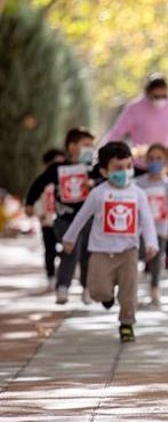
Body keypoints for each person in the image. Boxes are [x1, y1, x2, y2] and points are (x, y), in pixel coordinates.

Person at [62, 142, 159, 343]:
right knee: (97, 290)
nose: (124, 172)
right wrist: (69, 238)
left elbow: (147, 220)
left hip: (128, 251)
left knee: (128, 291)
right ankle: (106, 297)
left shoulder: (138, 194)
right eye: (117, 168)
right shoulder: (98, 194)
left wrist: (152, 243)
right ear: (105, 171)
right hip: (100, 251)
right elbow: (82, 216)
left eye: (128, 166)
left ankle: (127, 323)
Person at [25, 128, 99, 305]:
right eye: (85, 145)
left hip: (88, 219)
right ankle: (63, 286)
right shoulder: (58, 168)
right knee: (70, 250)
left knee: (88, 254)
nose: (90, 149)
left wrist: (93, 182)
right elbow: (39, 183)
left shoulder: (92, 169)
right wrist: (29, 203)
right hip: (65, 218)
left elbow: (104, 181)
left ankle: (87, 287)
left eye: (92, 145)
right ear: (72, 147)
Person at [101, 73, 168, 165]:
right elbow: (117, 133)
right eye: (156, 96)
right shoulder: (135, 108)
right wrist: (102, 154)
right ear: (148, 93)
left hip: (167, 165)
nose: (160, 100)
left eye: (163, 96)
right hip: (141, 164)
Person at [135, 144, 168, 307]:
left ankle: (155, 288)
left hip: (161, 229)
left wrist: (164, 213)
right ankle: (133, 286)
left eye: (159, 158)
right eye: (151, 158)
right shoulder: (138, 183)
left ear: (166, 161)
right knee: (138, 256)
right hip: (140, 230)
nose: (155, 162)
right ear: (146, 160)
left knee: (157, 260)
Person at [32, 149, 66, 291]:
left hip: (62, 221)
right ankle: (51, 275)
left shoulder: (65, 181)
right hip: (47, 222)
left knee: (66, 249)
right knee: (49, 249)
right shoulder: (43, 182)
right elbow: (36, 199)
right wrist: (40, 214)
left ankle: (64, 275)